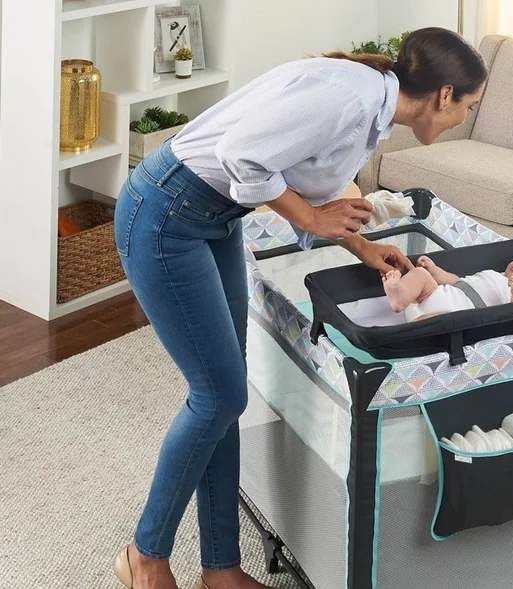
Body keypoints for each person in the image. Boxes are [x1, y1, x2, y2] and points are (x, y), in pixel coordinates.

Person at [111, 26, 488, 589]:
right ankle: (144, 557)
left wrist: (361, 245)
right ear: (444, 95)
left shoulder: (371, 106)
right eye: (468, 107)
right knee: (218, 396)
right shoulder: (352, 98)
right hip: (167, 213)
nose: (464, 118)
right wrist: (311, 219)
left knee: (223, 394)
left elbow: (301, 178)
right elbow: (241, 157)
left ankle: (220, 569)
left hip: (215, 218)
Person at [382, 248, 513, 323]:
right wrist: (435, 271)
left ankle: (413, 329)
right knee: (420, 274)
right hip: (437, 295)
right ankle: (401, 295)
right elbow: (459, 282)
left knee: (445, 324)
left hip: (452, 314)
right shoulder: (495, 276)